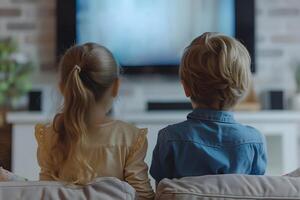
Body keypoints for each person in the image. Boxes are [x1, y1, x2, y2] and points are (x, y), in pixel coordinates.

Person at [35, 43, 154, 199]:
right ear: (116, 86)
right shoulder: (130, 138)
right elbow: (143, 196)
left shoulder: (50, 135)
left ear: (62, 88)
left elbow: (45, 193)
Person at [150, 32, 267, 184]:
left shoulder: (170, 138)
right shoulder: (254, 141)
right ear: (243, 89)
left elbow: (162, 188)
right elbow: (256, 191)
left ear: (186, 88)